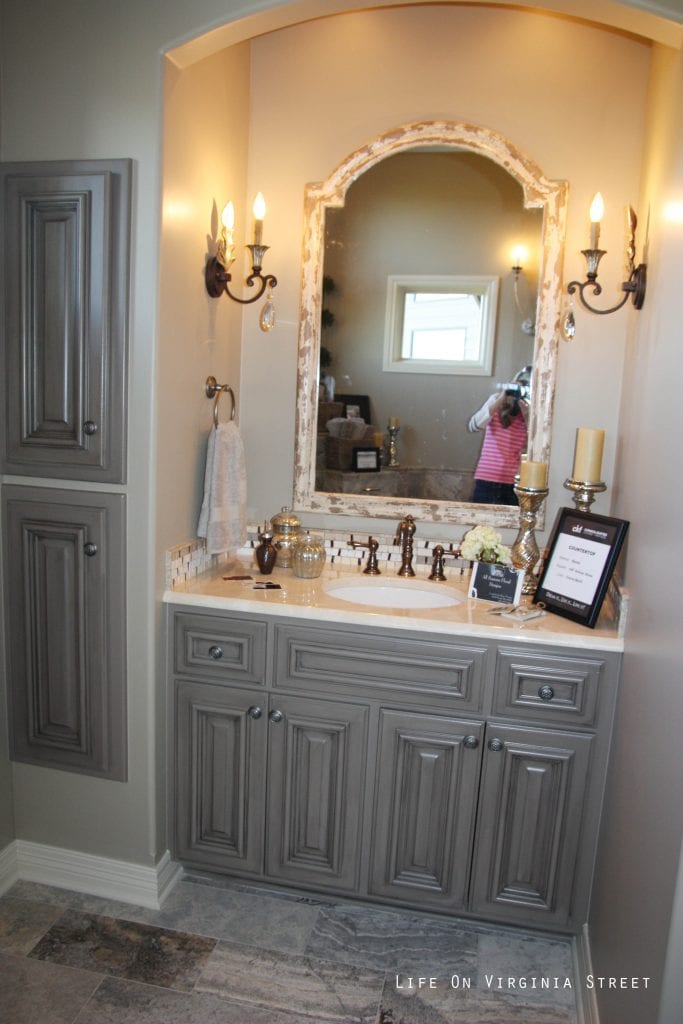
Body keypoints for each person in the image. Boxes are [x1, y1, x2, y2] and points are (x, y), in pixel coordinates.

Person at [467, 366, 531, 505]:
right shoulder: (496, 401)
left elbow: (535, 442)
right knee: (482, 517)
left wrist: (527, 414)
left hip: (513, 481)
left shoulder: (530, 410)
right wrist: (502, 397)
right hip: (487, 477)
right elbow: (474, 426)